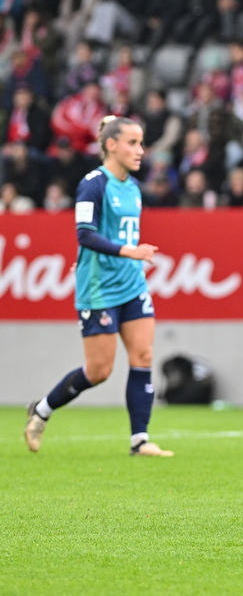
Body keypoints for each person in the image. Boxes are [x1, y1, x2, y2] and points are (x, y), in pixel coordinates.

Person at [23, 116, 173, 457]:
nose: (140, 150)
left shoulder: (133, 187)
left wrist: (127, 255)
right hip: (99, 288)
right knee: (99, 371)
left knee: (143, 355)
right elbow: (85, 234)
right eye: (133, 143)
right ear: (111, 145)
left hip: (131, 283)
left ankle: (140, 440)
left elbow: (113, 233)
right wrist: (127, 252)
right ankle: (42, 410)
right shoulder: (93, 184)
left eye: (141, 142)